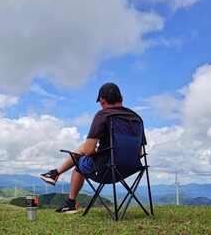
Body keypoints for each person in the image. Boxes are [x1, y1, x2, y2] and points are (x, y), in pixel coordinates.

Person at [39, 82, 142, 213]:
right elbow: (139, 152)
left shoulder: (103, 115)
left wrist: (97, 152)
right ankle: (54, 173)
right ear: (121, 98)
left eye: (100, 102)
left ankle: (63, 189)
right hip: (130, 169)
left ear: (103, 101)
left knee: (80, 162)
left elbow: (88, 150)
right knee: (84, 153)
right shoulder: (137, 119)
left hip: (107, 169)